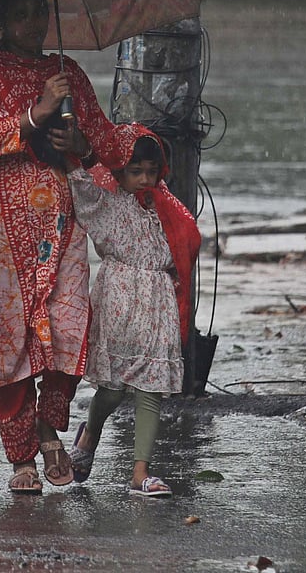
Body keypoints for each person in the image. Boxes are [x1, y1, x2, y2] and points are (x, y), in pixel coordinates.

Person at [0, 0, 121, 494]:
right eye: (21, 13)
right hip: (1, 230)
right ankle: (21, 456)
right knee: (9, 339)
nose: (32, 22)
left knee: (69, 327)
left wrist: (80, 142)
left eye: (39, 12)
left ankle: (51, 426)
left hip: (60, 228)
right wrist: (37, 112)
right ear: (2, 21)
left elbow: (106, 148)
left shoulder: (66, 71)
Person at [65, 126, 201, 497]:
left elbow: (187, 240)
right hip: (118, 298)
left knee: (151, 386)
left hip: (157, 299)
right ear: (119, 171)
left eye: (151, 171)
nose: (144, 179)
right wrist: (76, 146)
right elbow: (78, 183)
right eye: (135, 170)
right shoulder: (106, 202)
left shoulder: (165, 205)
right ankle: (90, 433)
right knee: (113, 388)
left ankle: (140, 472)